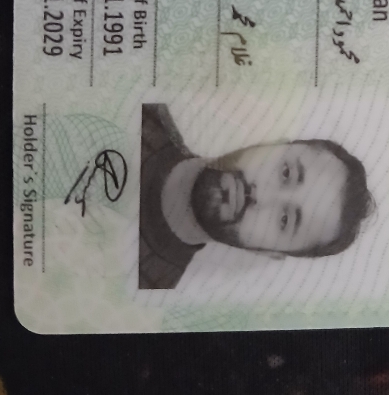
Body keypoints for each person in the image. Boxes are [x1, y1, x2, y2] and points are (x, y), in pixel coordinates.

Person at [139, 103, 375, 289]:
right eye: (286, 173)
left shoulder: (147, 297)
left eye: (284, 220)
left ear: (268, 252)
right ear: (272, 145)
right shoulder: (143, 112)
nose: (260, 195)